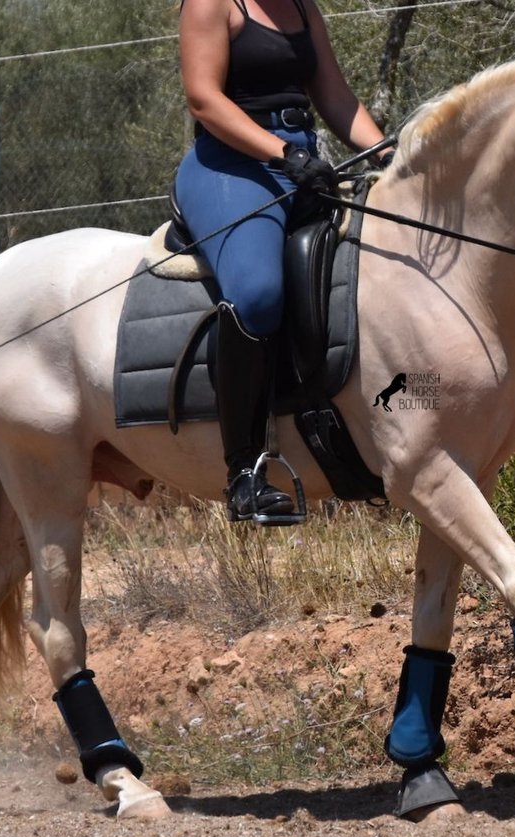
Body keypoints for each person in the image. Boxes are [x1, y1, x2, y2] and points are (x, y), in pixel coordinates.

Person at [175, 0, 393, 522]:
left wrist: (390, 154)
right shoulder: (212, 3)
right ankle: (244, 473)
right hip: (230, 164)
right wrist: (283, 154)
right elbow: (203, 99)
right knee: (257, 294)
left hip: (303, 162)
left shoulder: (301, 7)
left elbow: (336, 97)